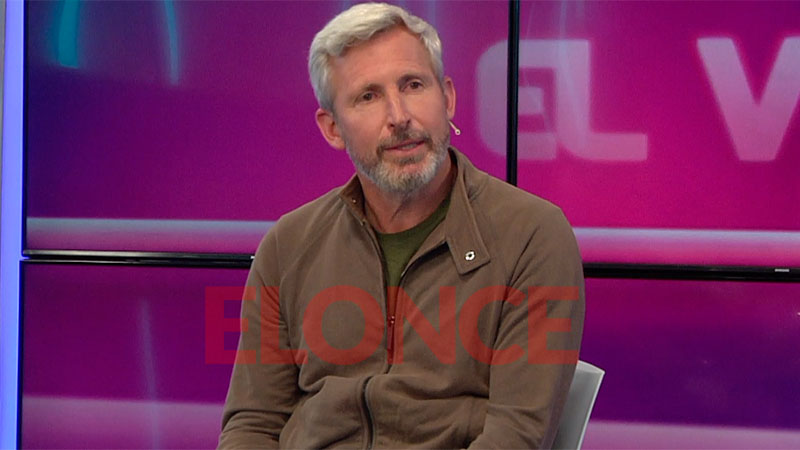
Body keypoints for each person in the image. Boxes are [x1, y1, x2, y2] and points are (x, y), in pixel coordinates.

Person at [218, 3, 584, 448]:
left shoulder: (531, 235)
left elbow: (516, 437)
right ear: (333, 128)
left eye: (413, 85)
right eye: (368, 97)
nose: (399, 116)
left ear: (447, 98)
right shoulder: (288, 245)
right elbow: (253, 424)